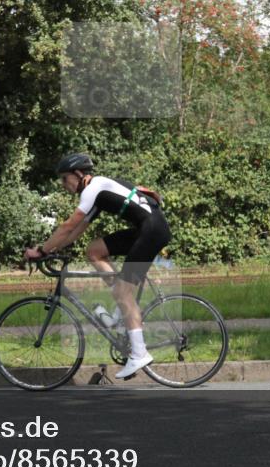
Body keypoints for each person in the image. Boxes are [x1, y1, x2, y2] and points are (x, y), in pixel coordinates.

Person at [24, 153, 171, 379]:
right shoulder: (96, 193)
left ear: (78, 174)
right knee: (94, 251)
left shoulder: (94, 189)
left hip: (152, 230)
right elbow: (75, 232)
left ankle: (139, 353)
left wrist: (41, 251)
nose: (64, 185)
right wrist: (54, 249)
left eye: (65, 179)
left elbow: (66, 226)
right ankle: (119, 314)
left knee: (124, 292)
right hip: (147, 228)